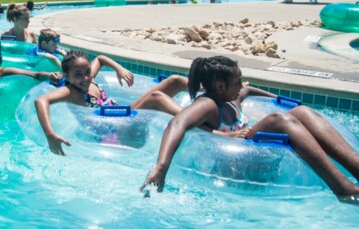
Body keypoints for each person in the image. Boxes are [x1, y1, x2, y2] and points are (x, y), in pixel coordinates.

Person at [141, 56, 359, 204]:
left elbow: (248, 89)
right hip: (233, 165)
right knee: (278, 120)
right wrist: (161, 167)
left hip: (254, 159)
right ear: (219, 86)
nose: (240, 84)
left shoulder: (231, 99)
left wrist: (275, 99)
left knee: (301, 112)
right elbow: (177, 123)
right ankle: (342, 188)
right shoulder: (208, 104)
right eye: (236, 81)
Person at [34, 51, 188, 155]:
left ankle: (208, 92)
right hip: (116, 137)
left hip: (124, 120)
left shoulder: (89, 79)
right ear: (67, 77)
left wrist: (119, 69)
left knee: (175, 81)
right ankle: (196, 119)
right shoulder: (72, 92)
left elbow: (100, 58)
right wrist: (50, 134)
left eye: (87, 72)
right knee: (156, 98)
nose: (86, 78)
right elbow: (41, 100)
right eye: (78, 75)